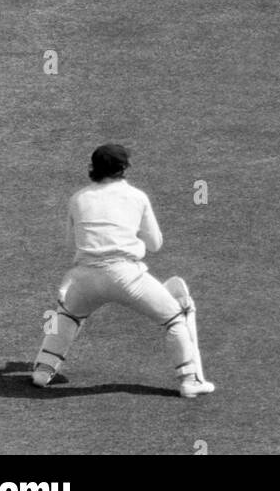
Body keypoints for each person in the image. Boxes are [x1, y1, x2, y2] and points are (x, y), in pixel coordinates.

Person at [31, 144, 214, 398]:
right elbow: (155, 244)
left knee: (67, 315)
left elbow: (70, 244)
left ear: (93, 168)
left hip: (84, 278)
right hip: (127, 276)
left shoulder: (78, 198)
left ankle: (43, 369)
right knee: (174, 318)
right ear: (124, 169)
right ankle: (189, 379)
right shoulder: (137, 198)